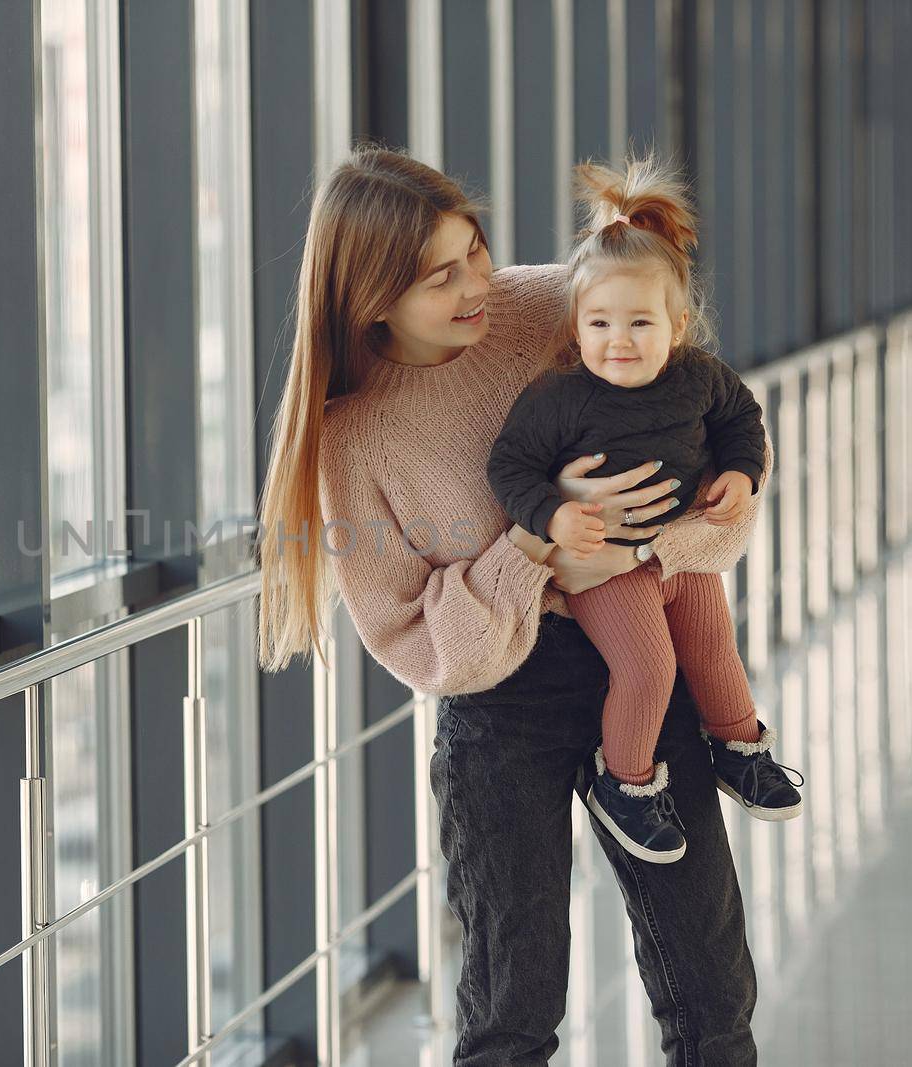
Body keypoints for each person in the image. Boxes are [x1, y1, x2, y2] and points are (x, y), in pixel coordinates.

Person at [256, 145, 769, 1065]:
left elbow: (712, 483)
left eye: (475, 250)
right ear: (371, 296)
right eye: (439, 276)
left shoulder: (555, 305)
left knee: (715, 992)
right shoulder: (352, 437)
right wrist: (535, 547)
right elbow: (416, 641)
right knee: (512, 1012)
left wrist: (653, 536)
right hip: (502, 710)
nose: (475, 285)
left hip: (645, 673)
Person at [486, 156, 804, 866]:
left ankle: (739, 745)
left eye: (638, 322)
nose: (618, 340)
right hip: (603, 568)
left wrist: (745, 476)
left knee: (716, 644)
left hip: (677, 553)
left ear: (677, 324)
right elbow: (508, 466)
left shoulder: (699, 378)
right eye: (599, 322)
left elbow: (741, 420)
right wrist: (552, 516)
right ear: (577, 323)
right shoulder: (559, 396)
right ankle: (624, 782)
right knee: (650, 667)